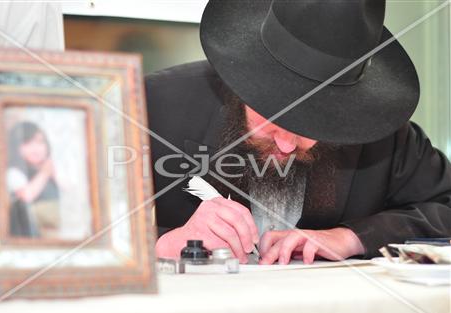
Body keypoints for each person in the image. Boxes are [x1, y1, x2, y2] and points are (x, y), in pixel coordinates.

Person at [146, 0, 451, 264]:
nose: (287, 145)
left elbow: (444, 208)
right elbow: (99, 228)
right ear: (242, 87)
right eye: (274, 120)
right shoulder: (153, 105)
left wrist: (352, 238)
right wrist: (164, 243)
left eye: (310, 127)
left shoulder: (383, 135)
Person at [7, 121, 61, 238]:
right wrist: (44, 173)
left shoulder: (49, 169)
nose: (35, 148)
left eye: (40, 142)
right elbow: (26, 196)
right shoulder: (14, 173)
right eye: (27, 143)